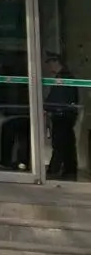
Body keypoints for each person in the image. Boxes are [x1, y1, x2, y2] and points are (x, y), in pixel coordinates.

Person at [45, 52, 79, 180]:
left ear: (56, 62)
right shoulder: (66, 76)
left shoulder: (63, 78)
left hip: (61, 116)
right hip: (67, 116)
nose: (49, 67)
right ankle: (69, 170)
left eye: (50, 63)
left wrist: (46, 106)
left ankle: (54, 170)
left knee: (59, 144)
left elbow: (56, 99)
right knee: (67, 144)